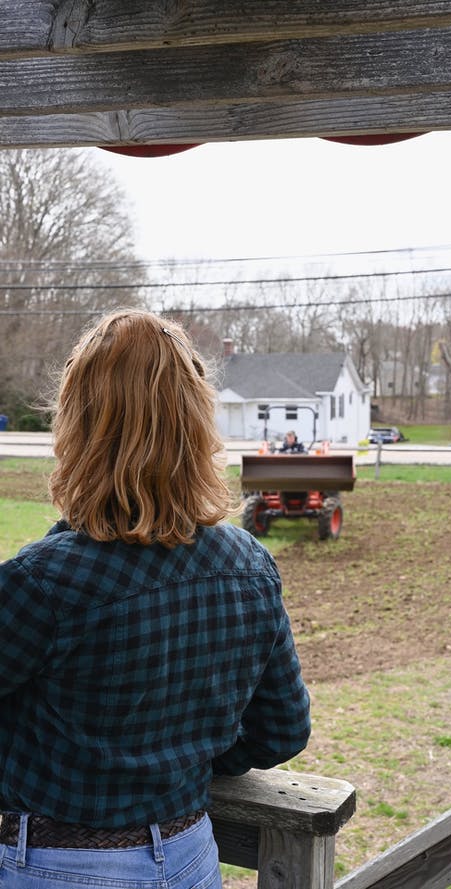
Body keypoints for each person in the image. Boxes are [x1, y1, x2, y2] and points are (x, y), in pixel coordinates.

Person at [0, 309, 310, 888]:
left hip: (56, 866)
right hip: (190, 856)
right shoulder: (248, 565)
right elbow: (282, 731)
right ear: (196, 426)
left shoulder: (43, 582)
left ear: (78, 426)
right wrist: (178, 766)